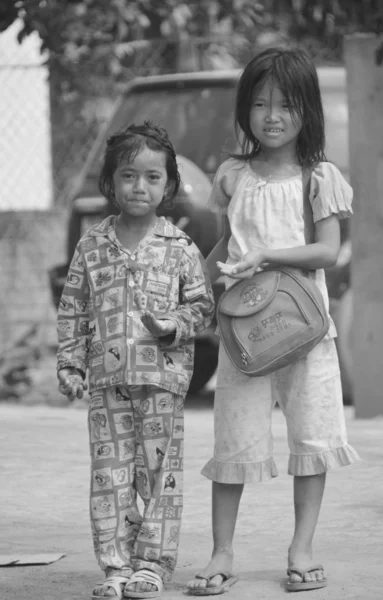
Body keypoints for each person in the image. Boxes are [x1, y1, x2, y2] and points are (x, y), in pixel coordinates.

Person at [187, 47, 359, 596]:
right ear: (245, 110)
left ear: (307, 109)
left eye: (285, 104)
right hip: (244, 337)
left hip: (307, 333)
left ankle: (301, 548)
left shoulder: (320, 176)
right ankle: (221, 553)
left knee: (312, 439)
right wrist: (192, 286)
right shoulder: (235, 176)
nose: (272, 116)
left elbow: (329, 252)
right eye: (259, 104)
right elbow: (224, 245)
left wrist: (271, 256)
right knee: (233, 442)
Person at [56, 121, 215, 600]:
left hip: (162, 382)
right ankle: (116, 565)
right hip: (106, 385)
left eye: (151, 177)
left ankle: (152, 565)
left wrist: (174, 326)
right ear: (110, 182)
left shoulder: (180, 248)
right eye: (128, 175)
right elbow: (74, 310)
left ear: (167, 186)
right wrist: (70, 365)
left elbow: (202, 307)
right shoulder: (91, 246)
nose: (139, 186)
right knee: (111, 476)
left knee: (158, 474)